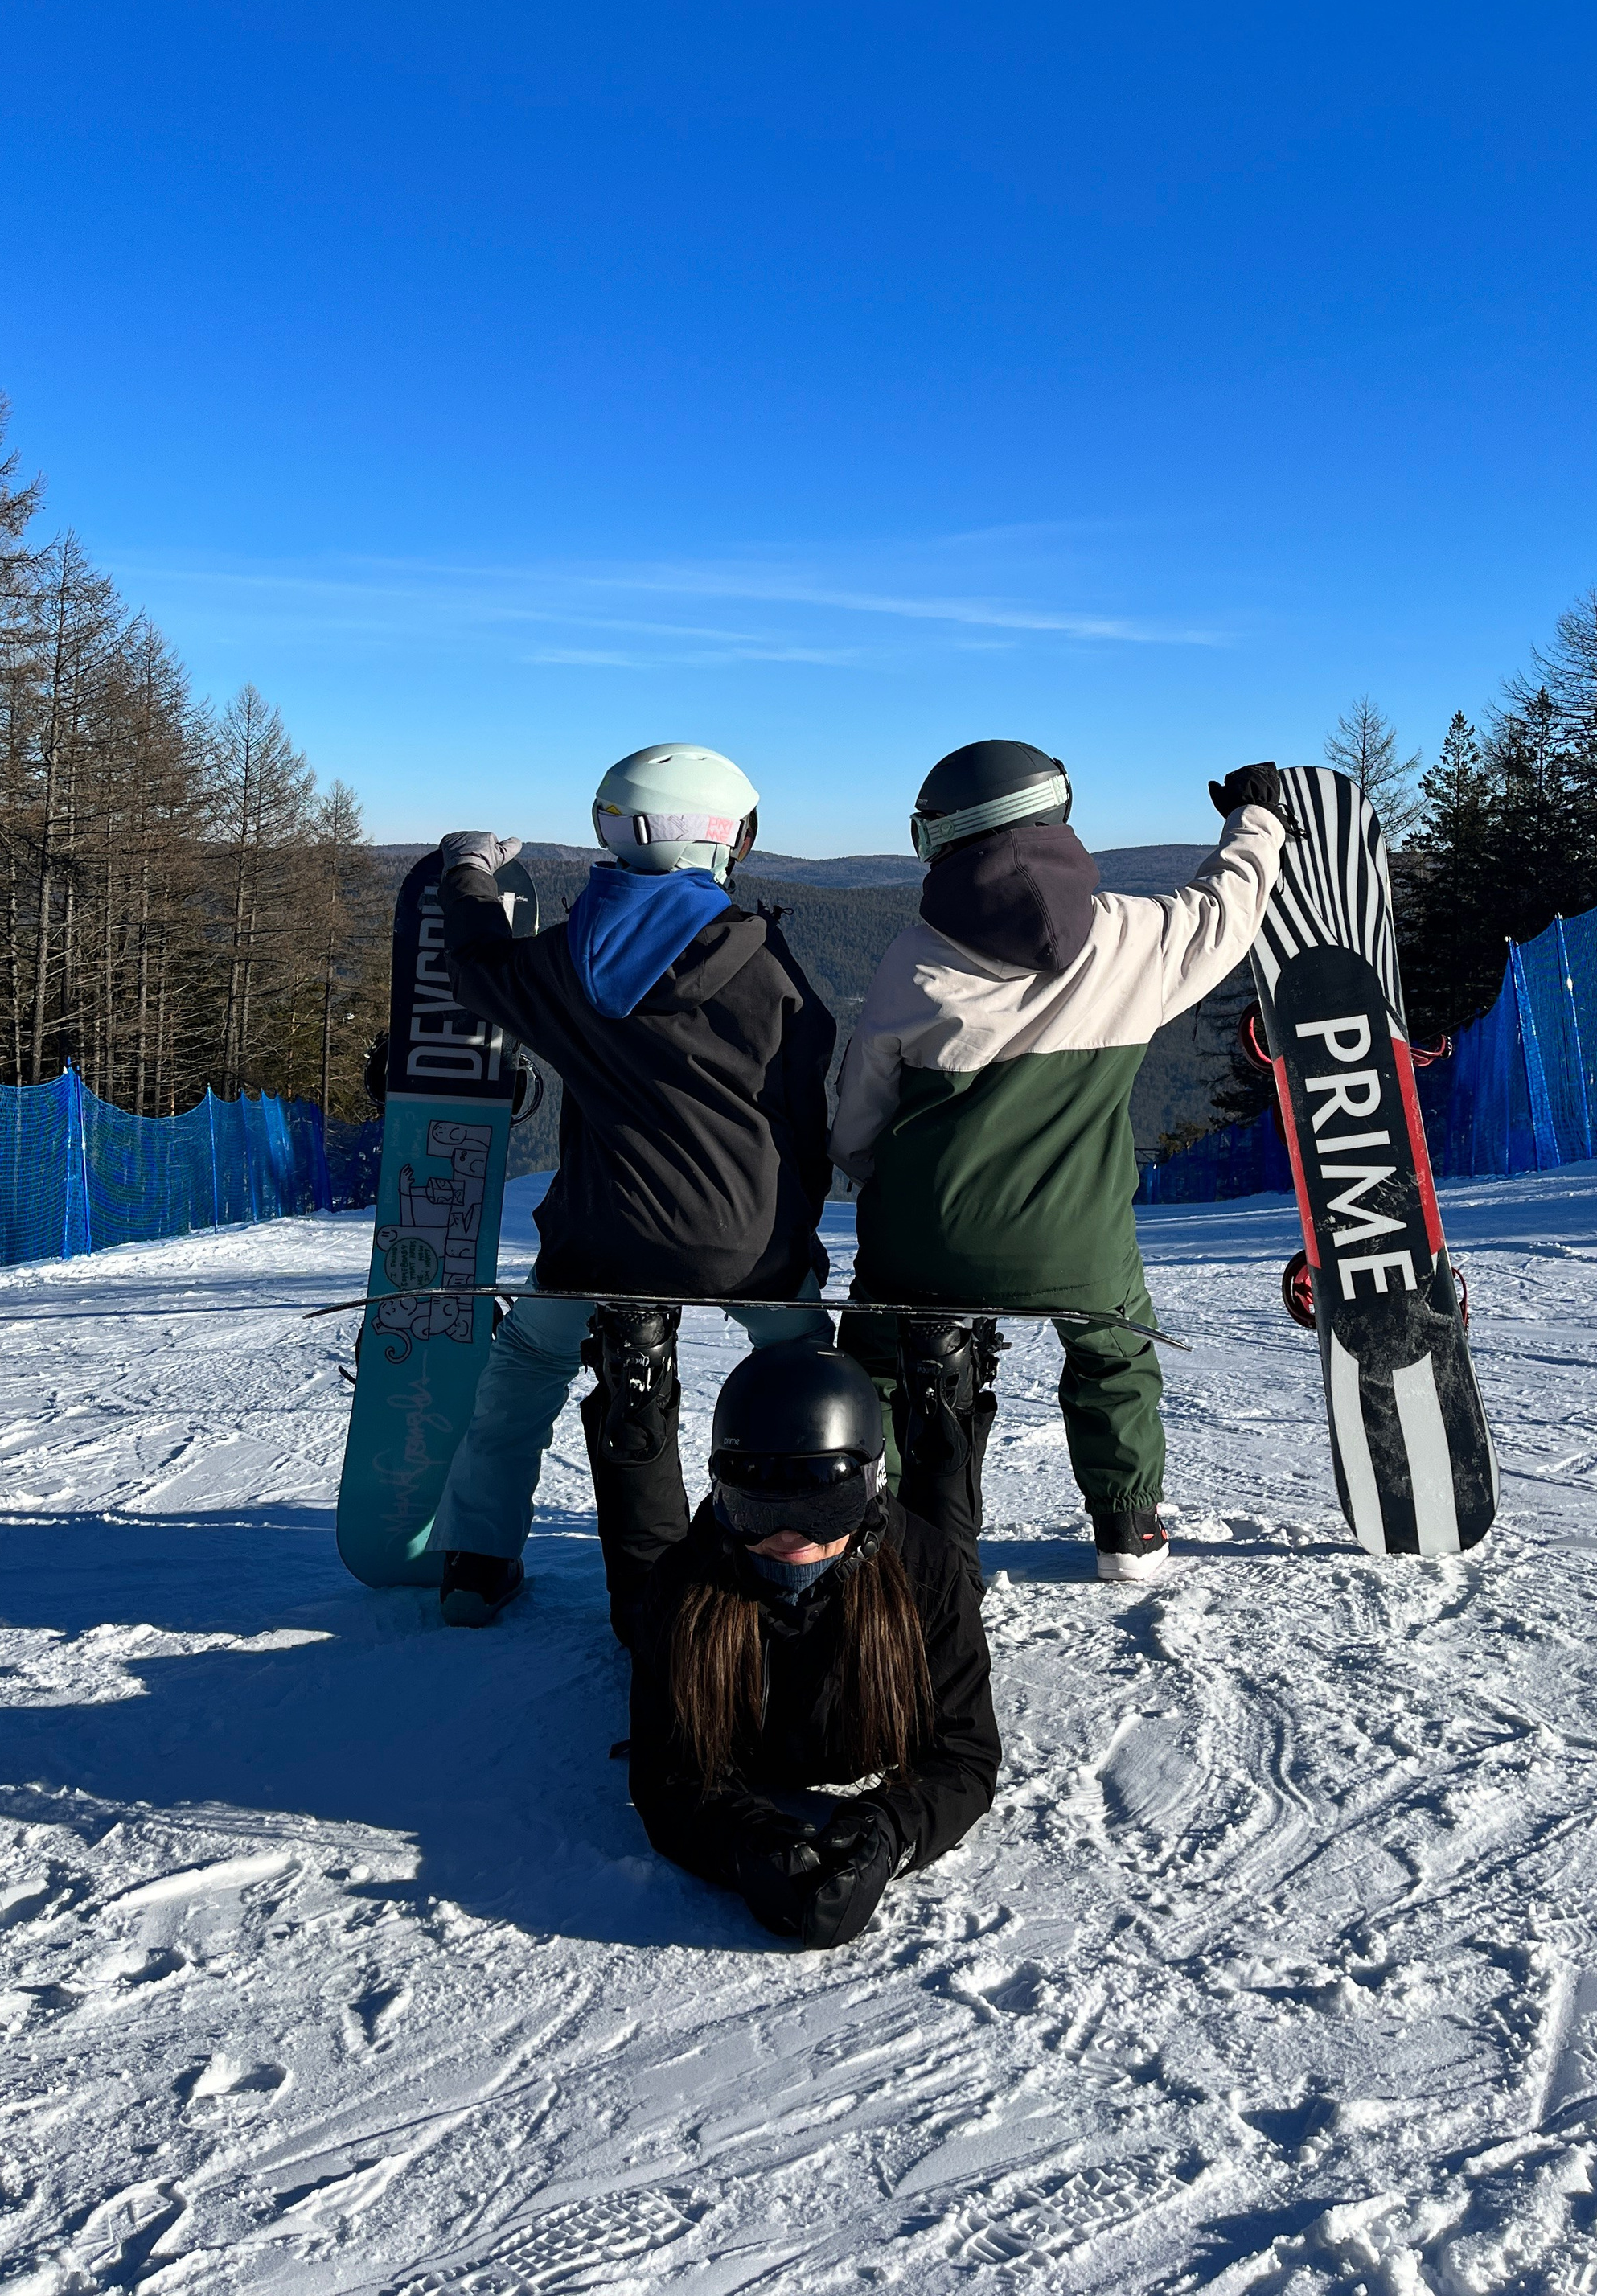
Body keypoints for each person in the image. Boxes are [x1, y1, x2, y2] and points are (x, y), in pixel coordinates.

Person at [831, 741, 1285, 1586]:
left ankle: (869, 1520)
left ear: (945, 834)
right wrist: (1253, 820)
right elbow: (1226, 908)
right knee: (1113, 1348)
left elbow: (861, 1112)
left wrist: (872, 1177)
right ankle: (1126, 1528)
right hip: (1078, 1239)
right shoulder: (1130, 937)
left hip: (925, 1232)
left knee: (880, 1358)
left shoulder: (914, 958)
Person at [428, 744, 835, 1633]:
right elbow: (804, 1122)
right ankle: (820, 1552)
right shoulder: (770, 966)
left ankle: (474, 1565)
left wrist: (466, 872)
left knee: (527, 1369)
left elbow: (475, 963)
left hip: (599, 1240)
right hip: (746, 1241)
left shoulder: (565, 963)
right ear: (724, 838)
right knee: (806, 1370)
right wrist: (796, 1242)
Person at [628, 1337, 999, 1948]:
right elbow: (667, 1770)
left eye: (825, 1506)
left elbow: (965, 1754)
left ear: (870, 1490)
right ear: (725, 1495)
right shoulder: (685, 1587)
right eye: (758, 1508)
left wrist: (887, 1834)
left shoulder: (928, 1575)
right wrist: (745, 1845)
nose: (789, 1537)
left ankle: (940, 1405)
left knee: (955, 1557)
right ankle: (634, 1403)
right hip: (696, 1594)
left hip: (904, 1576)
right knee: (632, 1604)